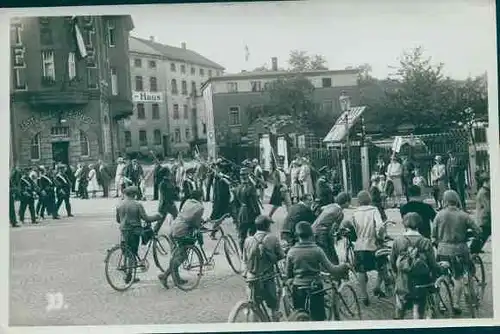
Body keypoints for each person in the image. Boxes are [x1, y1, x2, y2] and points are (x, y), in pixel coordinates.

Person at [285, 222, 350, 321]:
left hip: (298, 289)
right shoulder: (317, 250)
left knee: (299, 318)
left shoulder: (291, 252)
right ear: (311, 235)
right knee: (318, 319)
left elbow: (288, 274)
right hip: (315, 288)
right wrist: (344, 266)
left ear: (297, 236)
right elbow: (332, 269)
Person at [432, 190, 481, 315]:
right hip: (459, 250)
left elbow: (433, 235)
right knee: (458, 278)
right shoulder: (463, 215)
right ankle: (456, 303)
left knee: (442, 275)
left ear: (445, 200)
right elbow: (477, 230)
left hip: (442, 250)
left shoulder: (439, 215)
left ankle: (438, 303)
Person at [341, 190, 386, 305]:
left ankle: (364, 295)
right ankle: (377, 286)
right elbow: (380, 226)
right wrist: (380, 236)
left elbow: (349, 226)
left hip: (360, 245)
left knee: (361, 270)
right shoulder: (374, 210)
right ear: (369, 199)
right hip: (373, 244)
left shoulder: (355, 213)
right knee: (382, 266)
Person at [390, 212, 438, 319]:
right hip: (420, 283)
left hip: (403, 282)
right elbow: (432, 264)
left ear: (404, 224)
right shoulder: (426, 242)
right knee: (418, 311)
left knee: (400, 309)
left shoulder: (398, 241)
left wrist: (397, 275)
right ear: (419, 225)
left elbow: (392, 262)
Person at [158, 190, 209, 288]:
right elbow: (195, 223)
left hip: (174, 227)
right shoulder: (200, 207)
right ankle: (165, 275)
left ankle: (176, 279)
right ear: (200, 197)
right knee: (182, 255)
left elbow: (187, 215)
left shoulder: (188, 202)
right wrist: (201, 224)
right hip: (182, 230)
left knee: (175, 254)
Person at [116, 186, 163, 284]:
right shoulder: (137, 204)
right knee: (132, 252)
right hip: (134, 230)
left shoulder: (119, 205)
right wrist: (157, 217)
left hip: (124, 230)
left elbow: (118, 220)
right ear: (134, 194)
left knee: (126, 250)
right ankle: (129, 276)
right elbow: (146, 218)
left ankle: (127, 272)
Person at [242, 215, 285, 321]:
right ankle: (274, 318)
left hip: (251, 277)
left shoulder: (248, 240)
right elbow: (281, 255)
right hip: (266, 277)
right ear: (268, 226)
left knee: (254, 305)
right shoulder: (272, 238)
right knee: (273, 305)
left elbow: (244, 258)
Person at [311, 192, 351, 265]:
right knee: (328, 254)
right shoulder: (340, 212)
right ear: (345, 202)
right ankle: (333, 272)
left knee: (325, 253)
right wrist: (337, 234)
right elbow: (332, 230)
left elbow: (321, 210)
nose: (349, 204)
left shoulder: (331, 205)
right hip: (322, 233)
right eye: (349, 202)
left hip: (313, 230)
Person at [235, 167, 261, 252]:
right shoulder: (251, 188)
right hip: (250, 213)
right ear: (248, 176)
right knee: (253, 234)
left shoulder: (238, 187)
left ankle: (243, 253)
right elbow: (254, 203)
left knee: (242, 235)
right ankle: (252, 252)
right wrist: (258, 214)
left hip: (241, 213)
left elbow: (236, 204)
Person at [155, 167, 179, 234]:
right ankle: (176, 231)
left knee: (161, 221)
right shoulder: (163, 183)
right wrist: (175, 195)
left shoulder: (168, 182)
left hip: (166, 204)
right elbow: (166, 195)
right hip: (167, 204)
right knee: (176, 218)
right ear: (166, 174)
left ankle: (174, 231)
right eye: (169, 172)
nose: (170, 173)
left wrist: (176, 190)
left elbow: (173, 192)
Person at [474, 174, 491, 253]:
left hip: (484, 218)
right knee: (482, 235)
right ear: (486, 182)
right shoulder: (484, 192)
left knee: (483, 235)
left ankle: (475, 249)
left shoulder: (485, 191)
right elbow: (488, 207)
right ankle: (473, 250)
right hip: (484, 218)